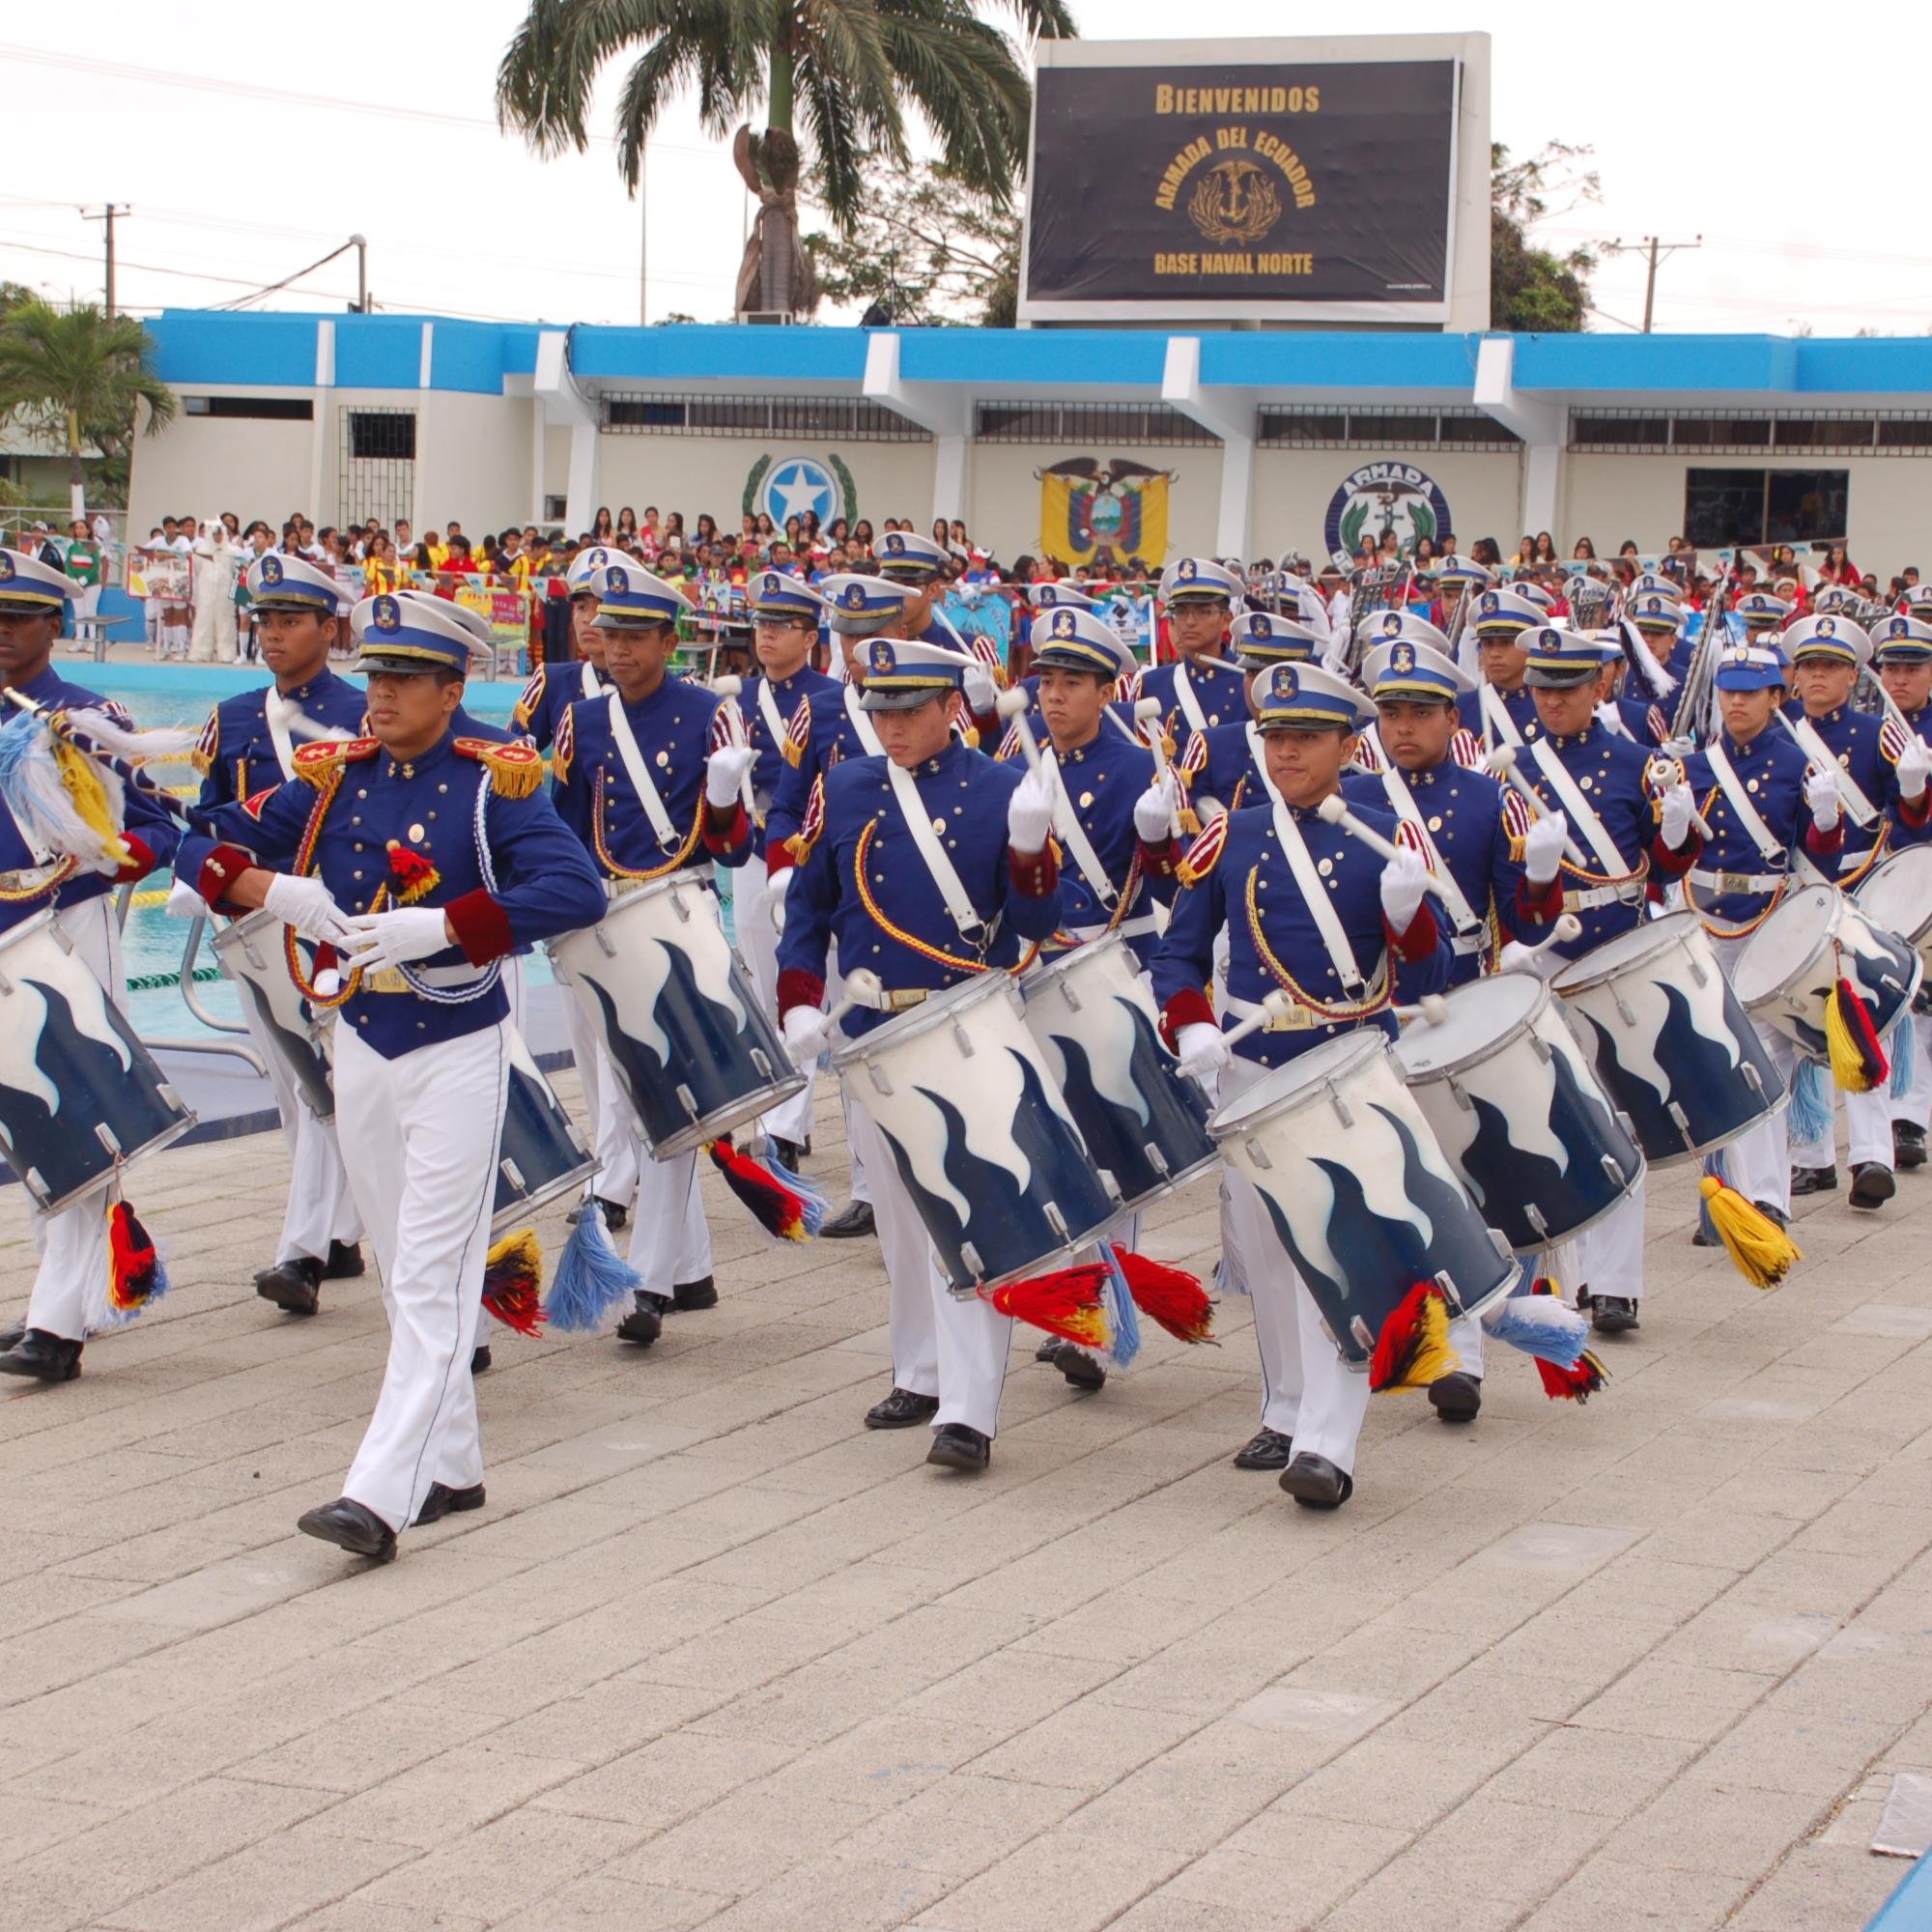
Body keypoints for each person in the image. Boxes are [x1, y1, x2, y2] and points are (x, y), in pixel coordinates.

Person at [172, 592, 603, 1558]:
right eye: (374, 674)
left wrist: (448, 923)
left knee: (435, 1267)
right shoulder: (335, 779)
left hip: (457, 1040)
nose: (380, 694)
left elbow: (576, 888)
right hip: (361, 1037)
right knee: (408, 1261)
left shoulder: (499, 776)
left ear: (452, 690)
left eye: (404, 678)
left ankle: (382, 1489)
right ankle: (452, 1463)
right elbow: (196, 838)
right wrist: (273, 887)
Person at [1151, 661, 1448, 1506]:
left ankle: (1328, 1442)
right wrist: (1192, 1020)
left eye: (1306, 738)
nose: (1286, 752)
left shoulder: (1390, 829)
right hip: (1253, 1069)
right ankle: (1285, 1406)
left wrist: (1407, 912)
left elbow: (1432, 972)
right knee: (1268, 1253)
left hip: (1351, 1065)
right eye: (1275, 736)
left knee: (1340, 1248)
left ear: (1348, 747)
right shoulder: (1234, 834)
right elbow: (1177, 952)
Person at [777, 638, 1064, 1472]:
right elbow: (810, 908)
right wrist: (799, 994)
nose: (892, 726)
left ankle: (970, 1411)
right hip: (875, 1034)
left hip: (969, 1025)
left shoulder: (1003, 788)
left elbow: (1033, 929)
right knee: (902, 1219)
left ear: (950, 709)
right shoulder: (848, 786)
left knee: (971, 1209)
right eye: (881, 711)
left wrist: (1029, 853)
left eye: (908, 711)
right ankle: (921, 1369)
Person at [551, 560, 759, 1347]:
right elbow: (562, 831)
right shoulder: (582, 721)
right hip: (602, 920)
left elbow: (736, 851)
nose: (620, 649)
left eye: (638, 636)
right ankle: (688, 1269)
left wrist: (725, 797)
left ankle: (652, 1282)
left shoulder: (709, 716)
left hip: (679, 917)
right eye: (610, 634)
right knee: (620, 1096)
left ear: (670, 640)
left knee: (665, 1104)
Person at [0, 550, 185, 1380]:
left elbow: (157, 824)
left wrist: (105, 857)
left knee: (80, 1107)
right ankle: (63, 1294)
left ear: (55, 626)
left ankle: (58, 1325)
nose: (4, 632)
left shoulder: (83, 714)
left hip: (64, 920)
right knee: (27, 1116)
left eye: (20, 618)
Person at [1501, 625, 1703, 1335]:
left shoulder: (1637, 764)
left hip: (1617, 950)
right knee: (1549, 1114)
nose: (1552, 702)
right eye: (1542, 690)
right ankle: (1560, 1275)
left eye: (1567, 689)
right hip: (1544, 955)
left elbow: (1670, 869)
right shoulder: (1509, 772)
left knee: (1625, 1113)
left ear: (1599, 689)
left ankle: (1615, 1284)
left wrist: (1678, 831)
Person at [188, 553, 371, 1317]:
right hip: (257, 921)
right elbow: (203, 820)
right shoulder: (232, 716)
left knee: (328, 1084)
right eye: (263, 619)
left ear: (328, 628)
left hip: (330, 920)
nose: (273, 634)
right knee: (298, 1090)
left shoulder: (364, 712)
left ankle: (302, 1252)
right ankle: (338, 1233)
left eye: (290, 620)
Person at [764, 574, 923, 1242]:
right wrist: (782, 871)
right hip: (845, 892)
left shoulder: (931, 700)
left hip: (914, 893)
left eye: (870, 633)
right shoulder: (822, 710)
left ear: (902, 634)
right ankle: (867, 1185)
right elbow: (787, 801)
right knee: (852, 1036)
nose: (856, 646)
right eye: (848, 634)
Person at [1669, 641, 1844, 1226]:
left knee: (1763, 1057)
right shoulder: (1693, 767)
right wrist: (1668, 826)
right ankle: (1721, 1196)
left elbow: (1821, 860)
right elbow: (1670, 859)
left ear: (1777, 696)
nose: (1737, 702)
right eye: (1729, 691)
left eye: (1750, 692)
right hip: (1704, 914)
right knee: (1716, 1057)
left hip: (1770, 915)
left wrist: (1825, 821)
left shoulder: (1798, 765)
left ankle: (1766, 1195)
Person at [1779, 613, 1901, 1208]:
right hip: (1800, 893)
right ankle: (1810, 1154)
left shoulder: (1875, 735)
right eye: (1809, 666)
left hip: (1860, 887)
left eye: (1830, 666)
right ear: (1795, 677)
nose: (1818, 676)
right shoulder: (1778, 740)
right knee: (1800, 1024)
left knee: (1863, 1020)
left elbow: (1910, 820)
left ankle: (1873, 1154)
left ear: (1852, 678)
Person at [728, 569, 839, 1172]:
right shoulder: (737, 700)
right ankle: (784, 1112)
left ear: (809, 635)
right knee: (769, 980)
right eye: (761, 625)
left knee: (815, 979)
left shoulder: (829, 698)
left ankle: (787, 1125)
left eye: (781, 626)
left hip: (817, 856)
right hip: (756, 854)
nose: (766, 636)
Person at [1137, 558, 1248, 762]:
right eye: (1180, 611)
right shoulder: (1151, 685)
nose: (1189, 621)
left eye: (1203, 611)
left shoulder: (1248, 683)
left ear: (1226, 620)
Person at [1459, 587, 1546, 749]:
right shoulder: (1462, 707)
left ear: (1528, 647)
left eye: (1506, 643)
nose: (1494, 654)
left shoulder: (1547, 704)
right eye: (1487, 644)